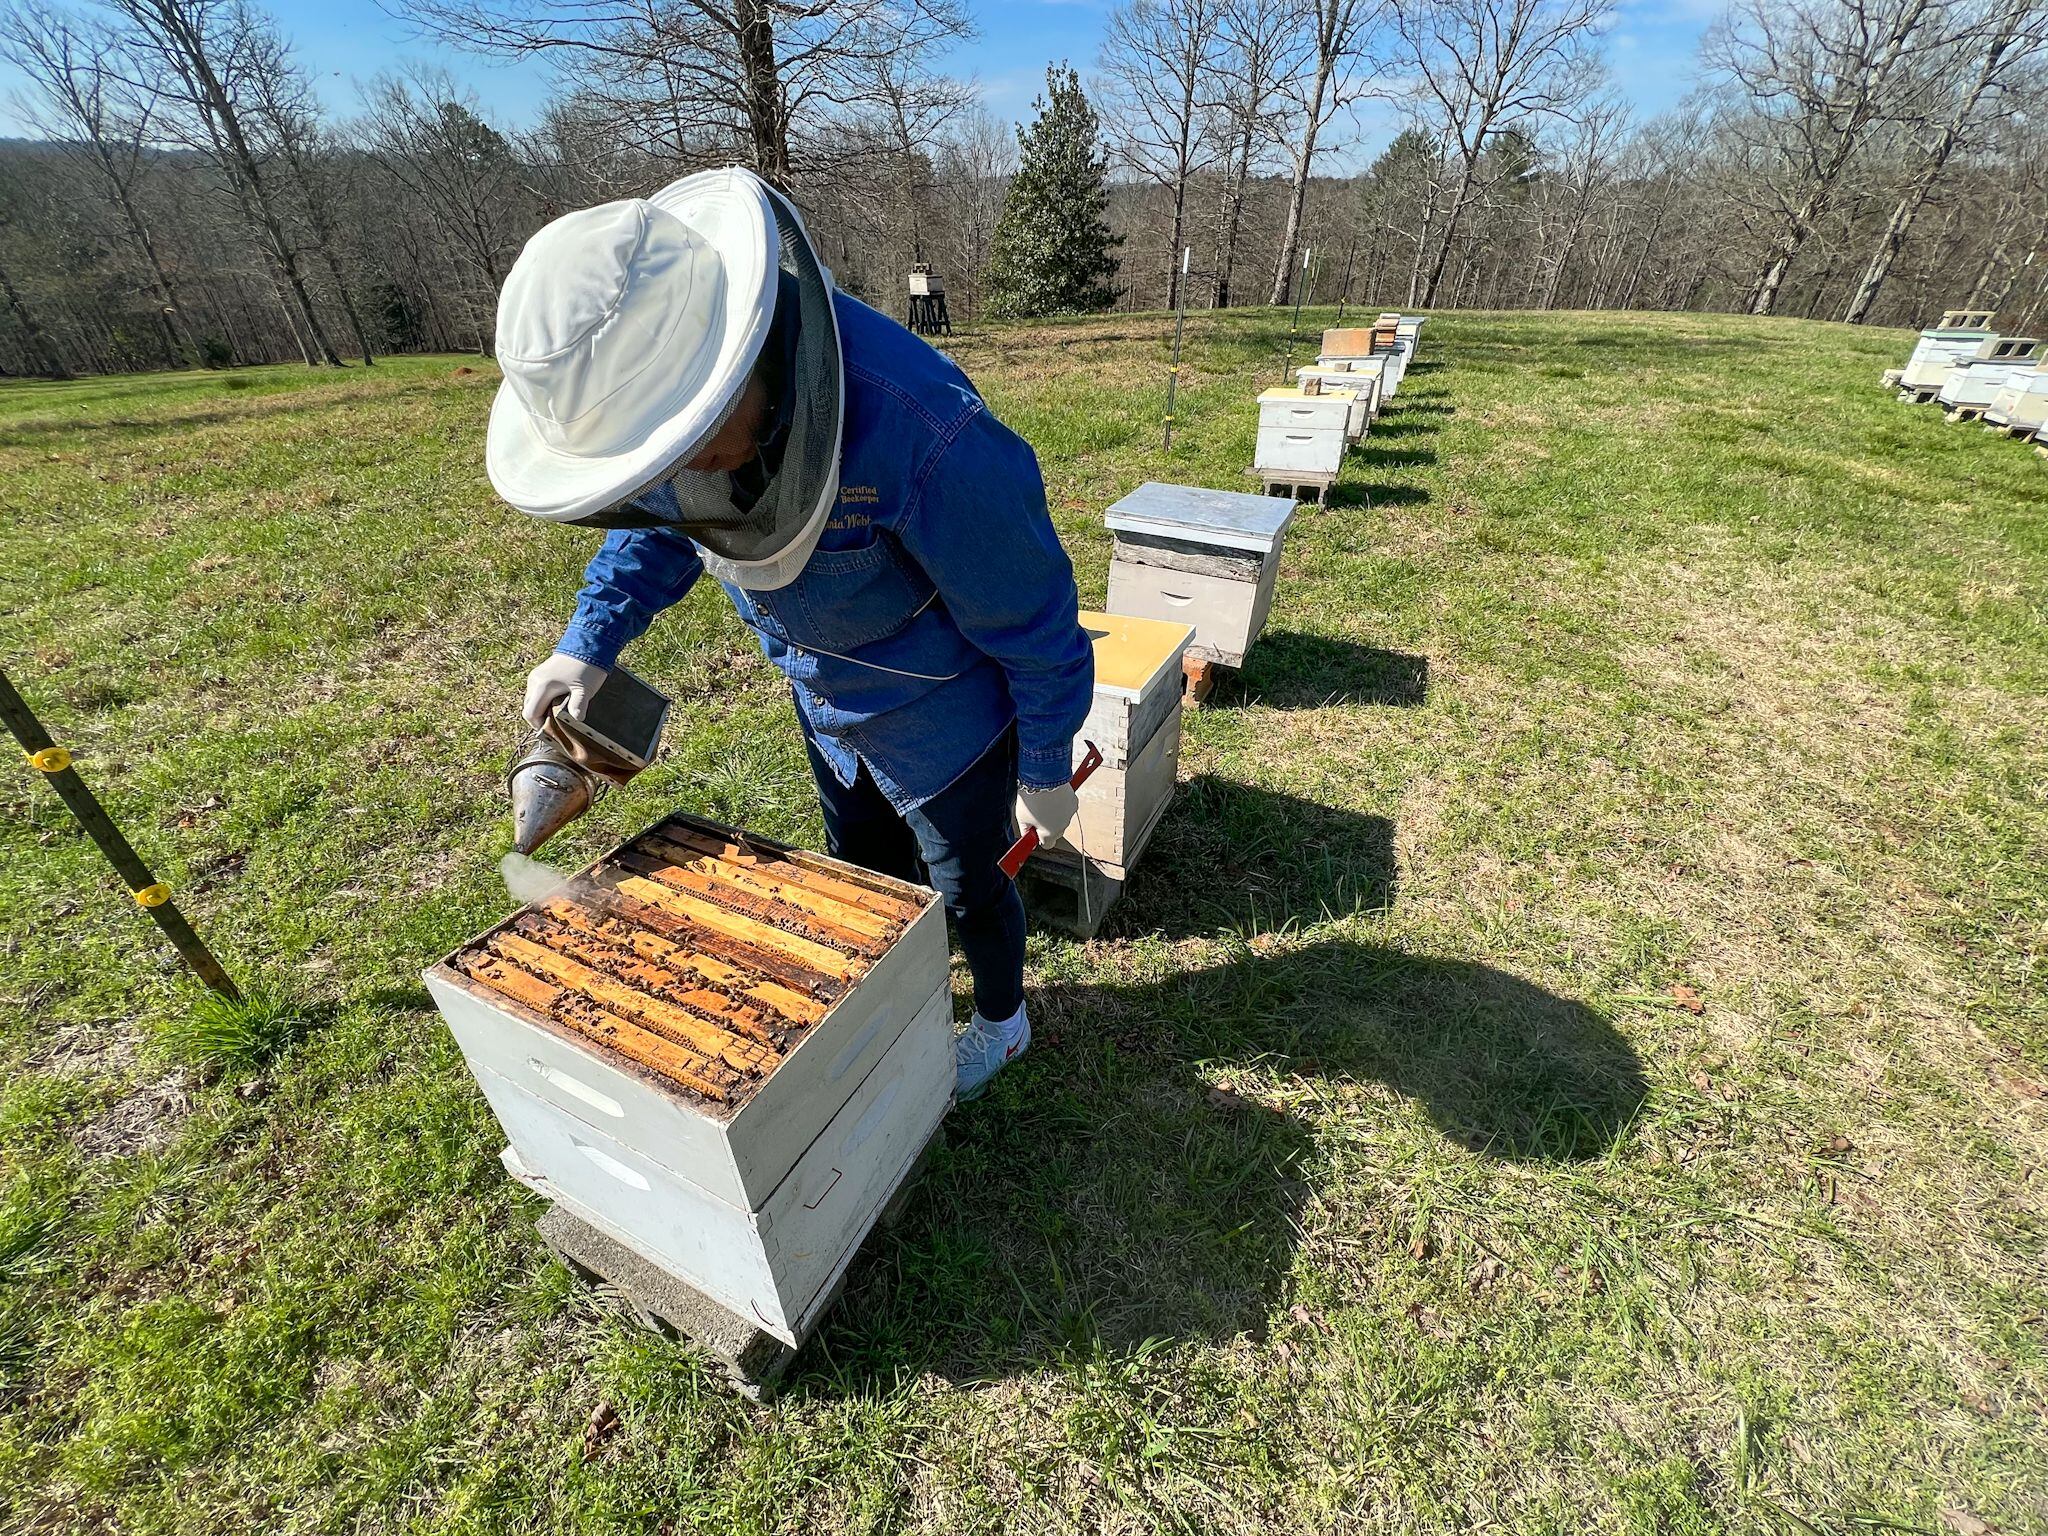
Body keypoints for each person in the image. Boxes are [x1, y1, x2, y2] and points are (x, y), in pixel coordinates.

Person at [485, 167, 1094, 1100]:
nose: (680, 472)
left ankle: (1003, 1022)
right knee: (865, 876)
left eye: (687, 443)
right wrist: (588, 641)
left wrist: (1046, 762)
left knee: (969, 887)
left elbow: (1035, 615)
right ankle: (896, 1007)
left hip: (946, 722)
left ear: (740, 358)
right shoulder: (677, 407)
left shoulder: (920, 429)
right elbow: (657, 528)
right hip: (827, 706)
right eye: (658, 456)